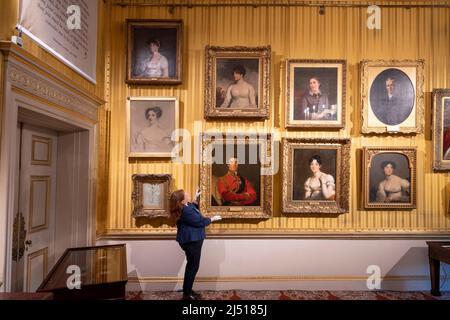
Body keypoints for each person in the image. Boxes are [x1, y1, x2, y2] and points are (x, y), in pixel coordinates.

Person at [169, 189, 222, 300]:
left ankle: (187, 290)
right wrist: (212, 219)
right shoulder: (186, 211)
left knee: (191, 266)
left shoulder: (186, 206)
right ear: (182, 200)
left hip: (191, 240)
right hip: (192, 241)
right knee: (193, 267)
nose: (188, 194)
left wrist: (195, 199)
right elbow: (199, 221)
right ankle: (187, 295)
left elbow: (193, 210)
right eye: (186, 195)